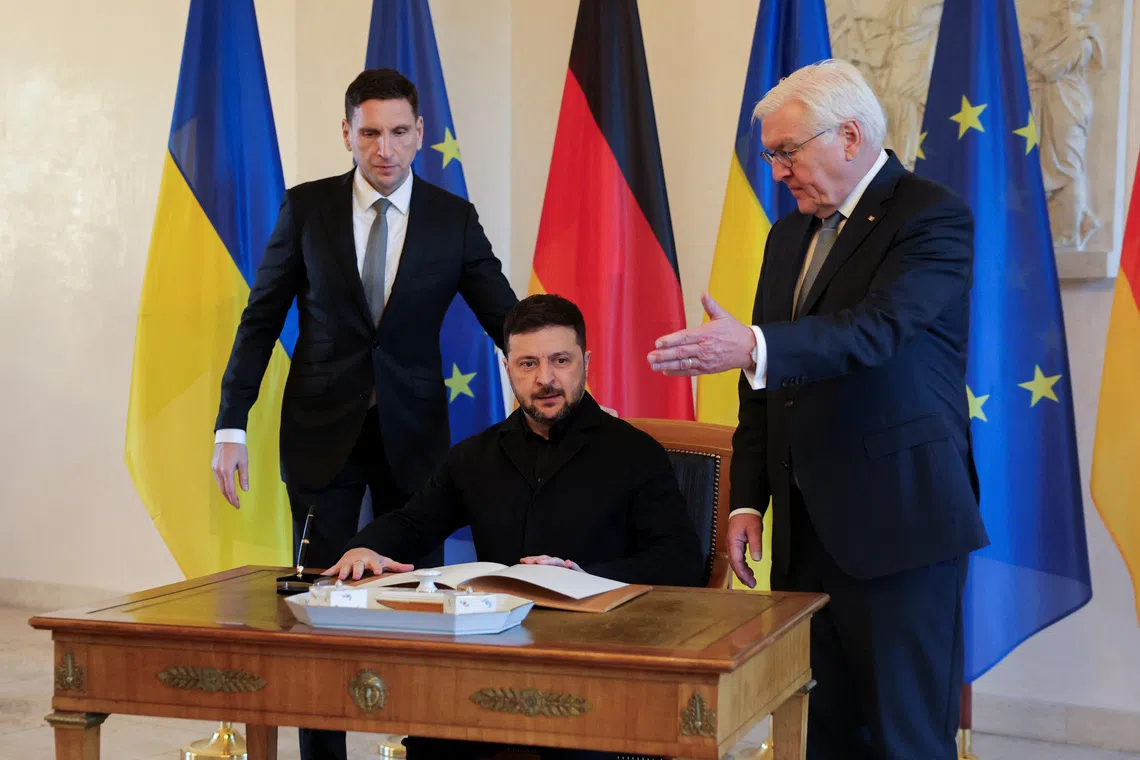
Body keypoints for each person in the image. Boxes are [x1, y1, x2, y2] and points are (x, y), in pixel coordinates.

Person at [646, 59, 988, 760]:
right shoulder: (788, 236)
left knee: (903, 739)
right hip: (805, 538)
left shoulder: (930, 216)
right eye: (771, 155)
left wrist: (753, 343)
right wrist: (747, 500)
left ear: (849, 136)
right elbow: (765, 381)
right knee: (818, 736)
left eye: (786, 152)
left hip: (898, 529)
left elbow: (875, 331)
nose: (776, 172)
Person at [211, 68, 518, 760]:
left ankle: (428, 748)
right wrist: (231, 424)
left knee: (424, 607)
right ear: (346, 134)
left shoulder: (452, 218)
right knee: (319, 608)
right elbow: (260, 321)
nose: (385, 148)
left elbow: (505, 315)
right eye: (370, 132)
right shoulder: (307, 209)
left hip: (417, 439)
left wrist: (558, 368)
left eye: (399, 132)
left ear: (420, 134)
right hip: (321, 435)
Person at [327, 293, 704, 760]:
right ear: (507, 369)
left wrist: (583, 577)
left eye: (560, 360)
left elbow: (680, 561)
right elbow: (413, 522)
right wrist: (364, 548)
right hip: (496, 664)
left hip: (604, 665)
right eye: (528, 364)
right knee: (430, 737)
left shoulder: (635, 453)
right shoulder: (475, 456)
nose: (545, 378)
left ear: (586, 363)